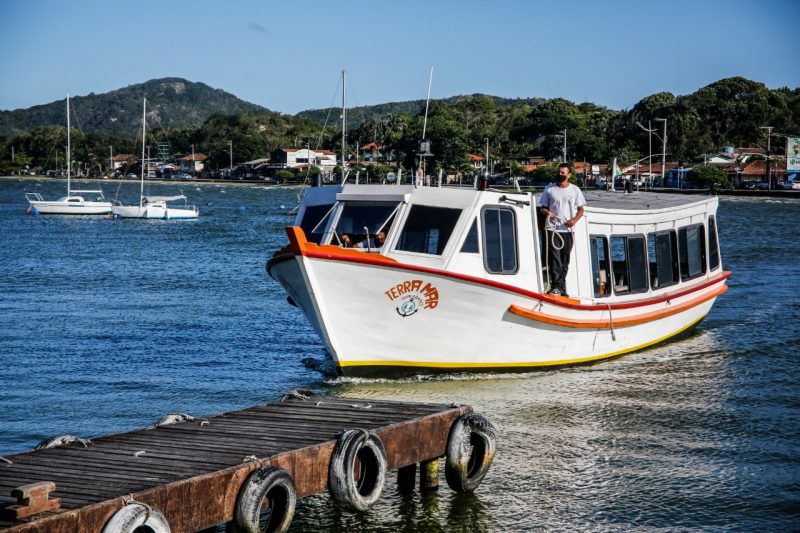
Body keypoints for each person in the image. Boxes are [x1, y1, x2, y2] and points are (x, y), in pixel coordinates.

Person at [539, 163, 586, 297]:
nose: (560, 174)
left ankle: (561, 288)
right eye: (559, 172)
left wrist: (574, 221)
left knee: (565, 260)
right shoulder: (549, 189)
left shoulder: (575, 190)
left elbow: (581, 209)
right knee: (555, 259)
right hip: (552, 229)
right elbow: (542, 207)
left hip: (567, 230)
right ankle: (556, 287)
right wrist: (548, 213)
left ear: (569, 175)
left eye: (562, 173)